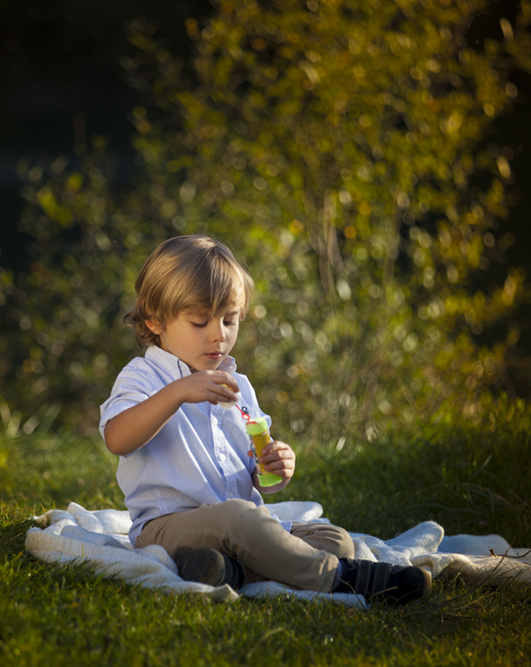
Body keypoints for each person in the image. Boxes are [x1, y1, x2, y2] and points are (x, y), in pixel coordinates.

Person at [100, 235, 431, 605]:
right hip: (167, 528)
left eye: (229, 320)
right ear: (155, 320)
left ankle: (228, 571)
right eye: (199, 321)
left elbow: (257, 476)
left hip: (238, 526)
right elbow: (118, 438)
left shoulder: (239, 387)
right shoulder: (143, 377)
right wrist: (179, 393)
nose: (218, 335)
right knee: (242, 521)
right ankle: (343, 579)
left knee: (336, 539)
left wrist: (274, 468)